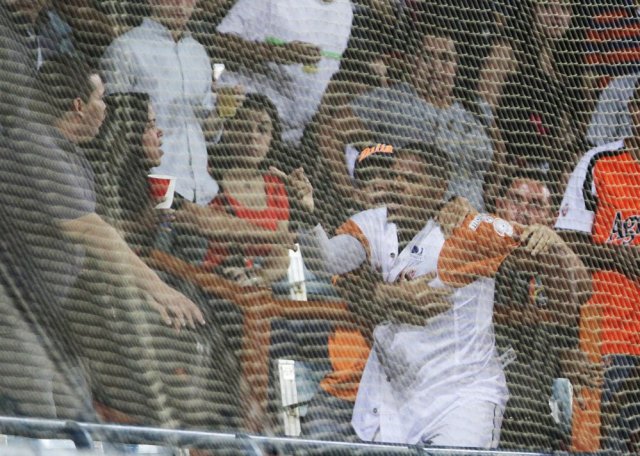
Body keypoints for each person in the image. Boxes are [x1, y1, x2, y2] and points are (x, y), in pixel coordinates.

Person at [5, 55, 211, 427]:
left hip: (47, 318)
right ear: (79, 106)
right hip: (14, 319)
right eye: (101, 98)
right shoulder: (32, 139)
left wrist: (144, 293)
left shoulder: (73, 158)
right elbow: (89, 229)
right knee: (37, 427)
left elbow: (97, 249)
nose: (106, 108)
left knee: (72, 422)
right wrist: (159, 287)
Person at [555, 79, 640, 453]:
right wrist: (616, 257)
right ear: (631, 110)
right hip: (608, 332)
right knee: (600, 442)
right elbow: (567, 239)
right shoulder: (598, 161)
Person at [493, 171, 595, 451]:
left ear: (551, 219)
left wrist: (556, 244)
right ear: (500, 206)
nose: (524, 212)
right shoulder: (481, 247)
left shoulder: (555, 268)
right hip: (481, 402)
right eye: (516, 200)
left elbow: (585, 288)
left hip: (533, 410)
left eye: (536, 205)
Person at [205, 93, 313, 286]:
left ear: (272, 138)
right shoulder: (207, 174)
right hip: (210, 278)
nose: (253, 136)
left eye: (262, 130)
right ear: (228, 130)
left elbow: (281, 255)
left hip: (257, 287)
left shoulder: (275, 185)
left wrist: (257, 278)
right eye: (244, 127)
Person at [216, 0, 354, 146]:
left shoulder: (346, 10)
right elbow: (220, 42)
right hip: (243, 133)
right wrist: (277, 53)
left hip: (294, 141)